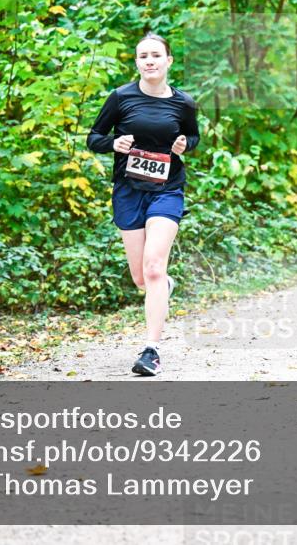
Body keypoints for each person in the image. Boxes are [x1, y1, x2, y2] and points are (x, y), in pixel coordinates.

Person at [87, 33, 200, 376]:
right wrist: (114, 144)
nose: (149, 61)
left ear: (168, 61)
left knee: (154, 266)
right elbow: (94, 138)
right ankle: (163, 288)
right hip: (128, 191)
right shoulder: (121, 97)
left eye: (155, 55)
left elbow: (192, 136)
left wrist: (184, 144)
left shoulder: (184, 103)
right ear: (136, 62)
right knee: (141, 278)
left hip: (167, 189)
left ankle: (151, 350)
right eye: (142, 56)